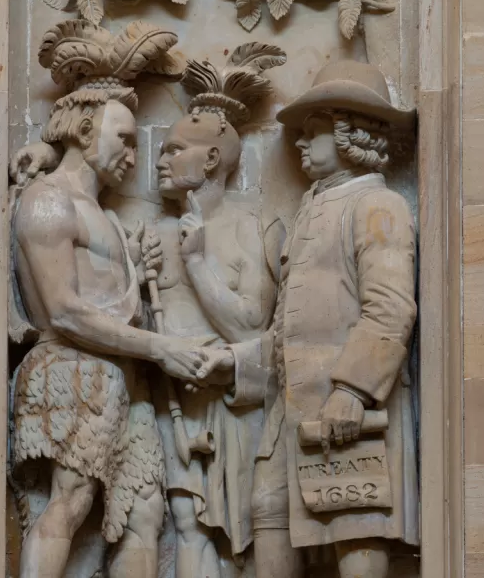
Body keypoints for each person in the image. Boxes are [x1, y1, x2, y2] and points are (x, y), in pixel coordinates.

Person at [198, 60, 419, 578]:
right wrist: (233, 361)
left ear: (350, 134)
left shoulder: (377, 205)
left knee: (357, 527)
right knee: (268, 513)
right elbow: (286, 326)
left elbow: (390, 306)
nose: (299, 144)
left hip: (351, 409)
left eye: (312, 132)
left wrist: (354, 390)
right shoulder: (307, 214)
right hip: (292, 412)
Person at [8, 19, 211, 578]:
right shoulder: (49, 202)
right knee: (69, 504)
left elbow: (113, 304)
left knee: (146, 514)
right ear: (83, 130)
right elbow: (67, 311)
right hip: (72, 370)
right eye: (123, 139)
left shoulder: (109, 219)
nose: (132, 154)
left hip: (124, 376)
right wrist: (159, 346)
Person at [149, 44, 284, 577]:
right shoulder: (152, 232)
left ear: (210, 160)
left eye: (174, 149)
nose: (159, 159)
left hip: (238, 409)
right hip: (176, 405)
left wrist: (199, 263)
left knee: (245, 535)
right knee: (185, 521)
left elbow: (253, 324)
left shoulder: (256, 226)